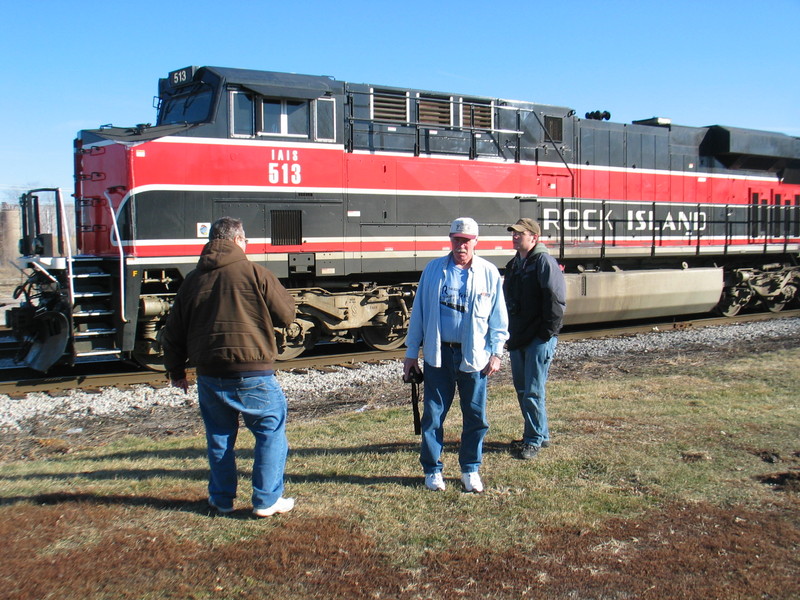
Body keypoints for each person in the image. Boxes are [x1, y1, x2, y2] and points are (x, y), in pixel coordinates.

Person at [161, 217, 297, 517]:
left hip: (209, 375)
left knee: (220, 437)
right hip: (253, 372)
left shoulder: (193, 280)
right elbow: (287, 315)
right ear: (238, 240)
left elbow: (172, 333)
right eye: (245, 240)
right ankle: (266, 500)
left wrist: (176, 372)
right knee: (270, 431)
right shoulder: (256, 273)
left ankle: (221, 499)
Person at [403, 217, 509, 493]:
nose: (461, 245)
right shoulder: (433, 270)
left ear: (476, 241)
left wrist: (497, 353)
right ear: (450, 239)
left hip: (475, 358)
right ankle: (432, 470)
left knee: (475, 416)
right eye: (456, 239)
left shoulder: (488, 272)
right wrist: (411, 354)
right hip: (439, 355)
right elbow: (419, 315)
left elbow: (499, 319)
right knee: (433, 415)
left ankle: (470, 469)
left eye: (466, 240)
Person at [503, 218, 567, 459]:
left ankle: (533, 440)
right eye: (514, 233)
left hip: (537, 339)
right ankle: (541, 433)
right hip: (519, 336)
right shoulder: (514, 265)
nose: (515, 236)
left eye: (521, 233)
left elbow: (556, 301)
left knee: (532, 390)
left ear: (534, 237)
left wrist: (545, 335)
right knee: (523, 389)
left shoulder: (544, 262)